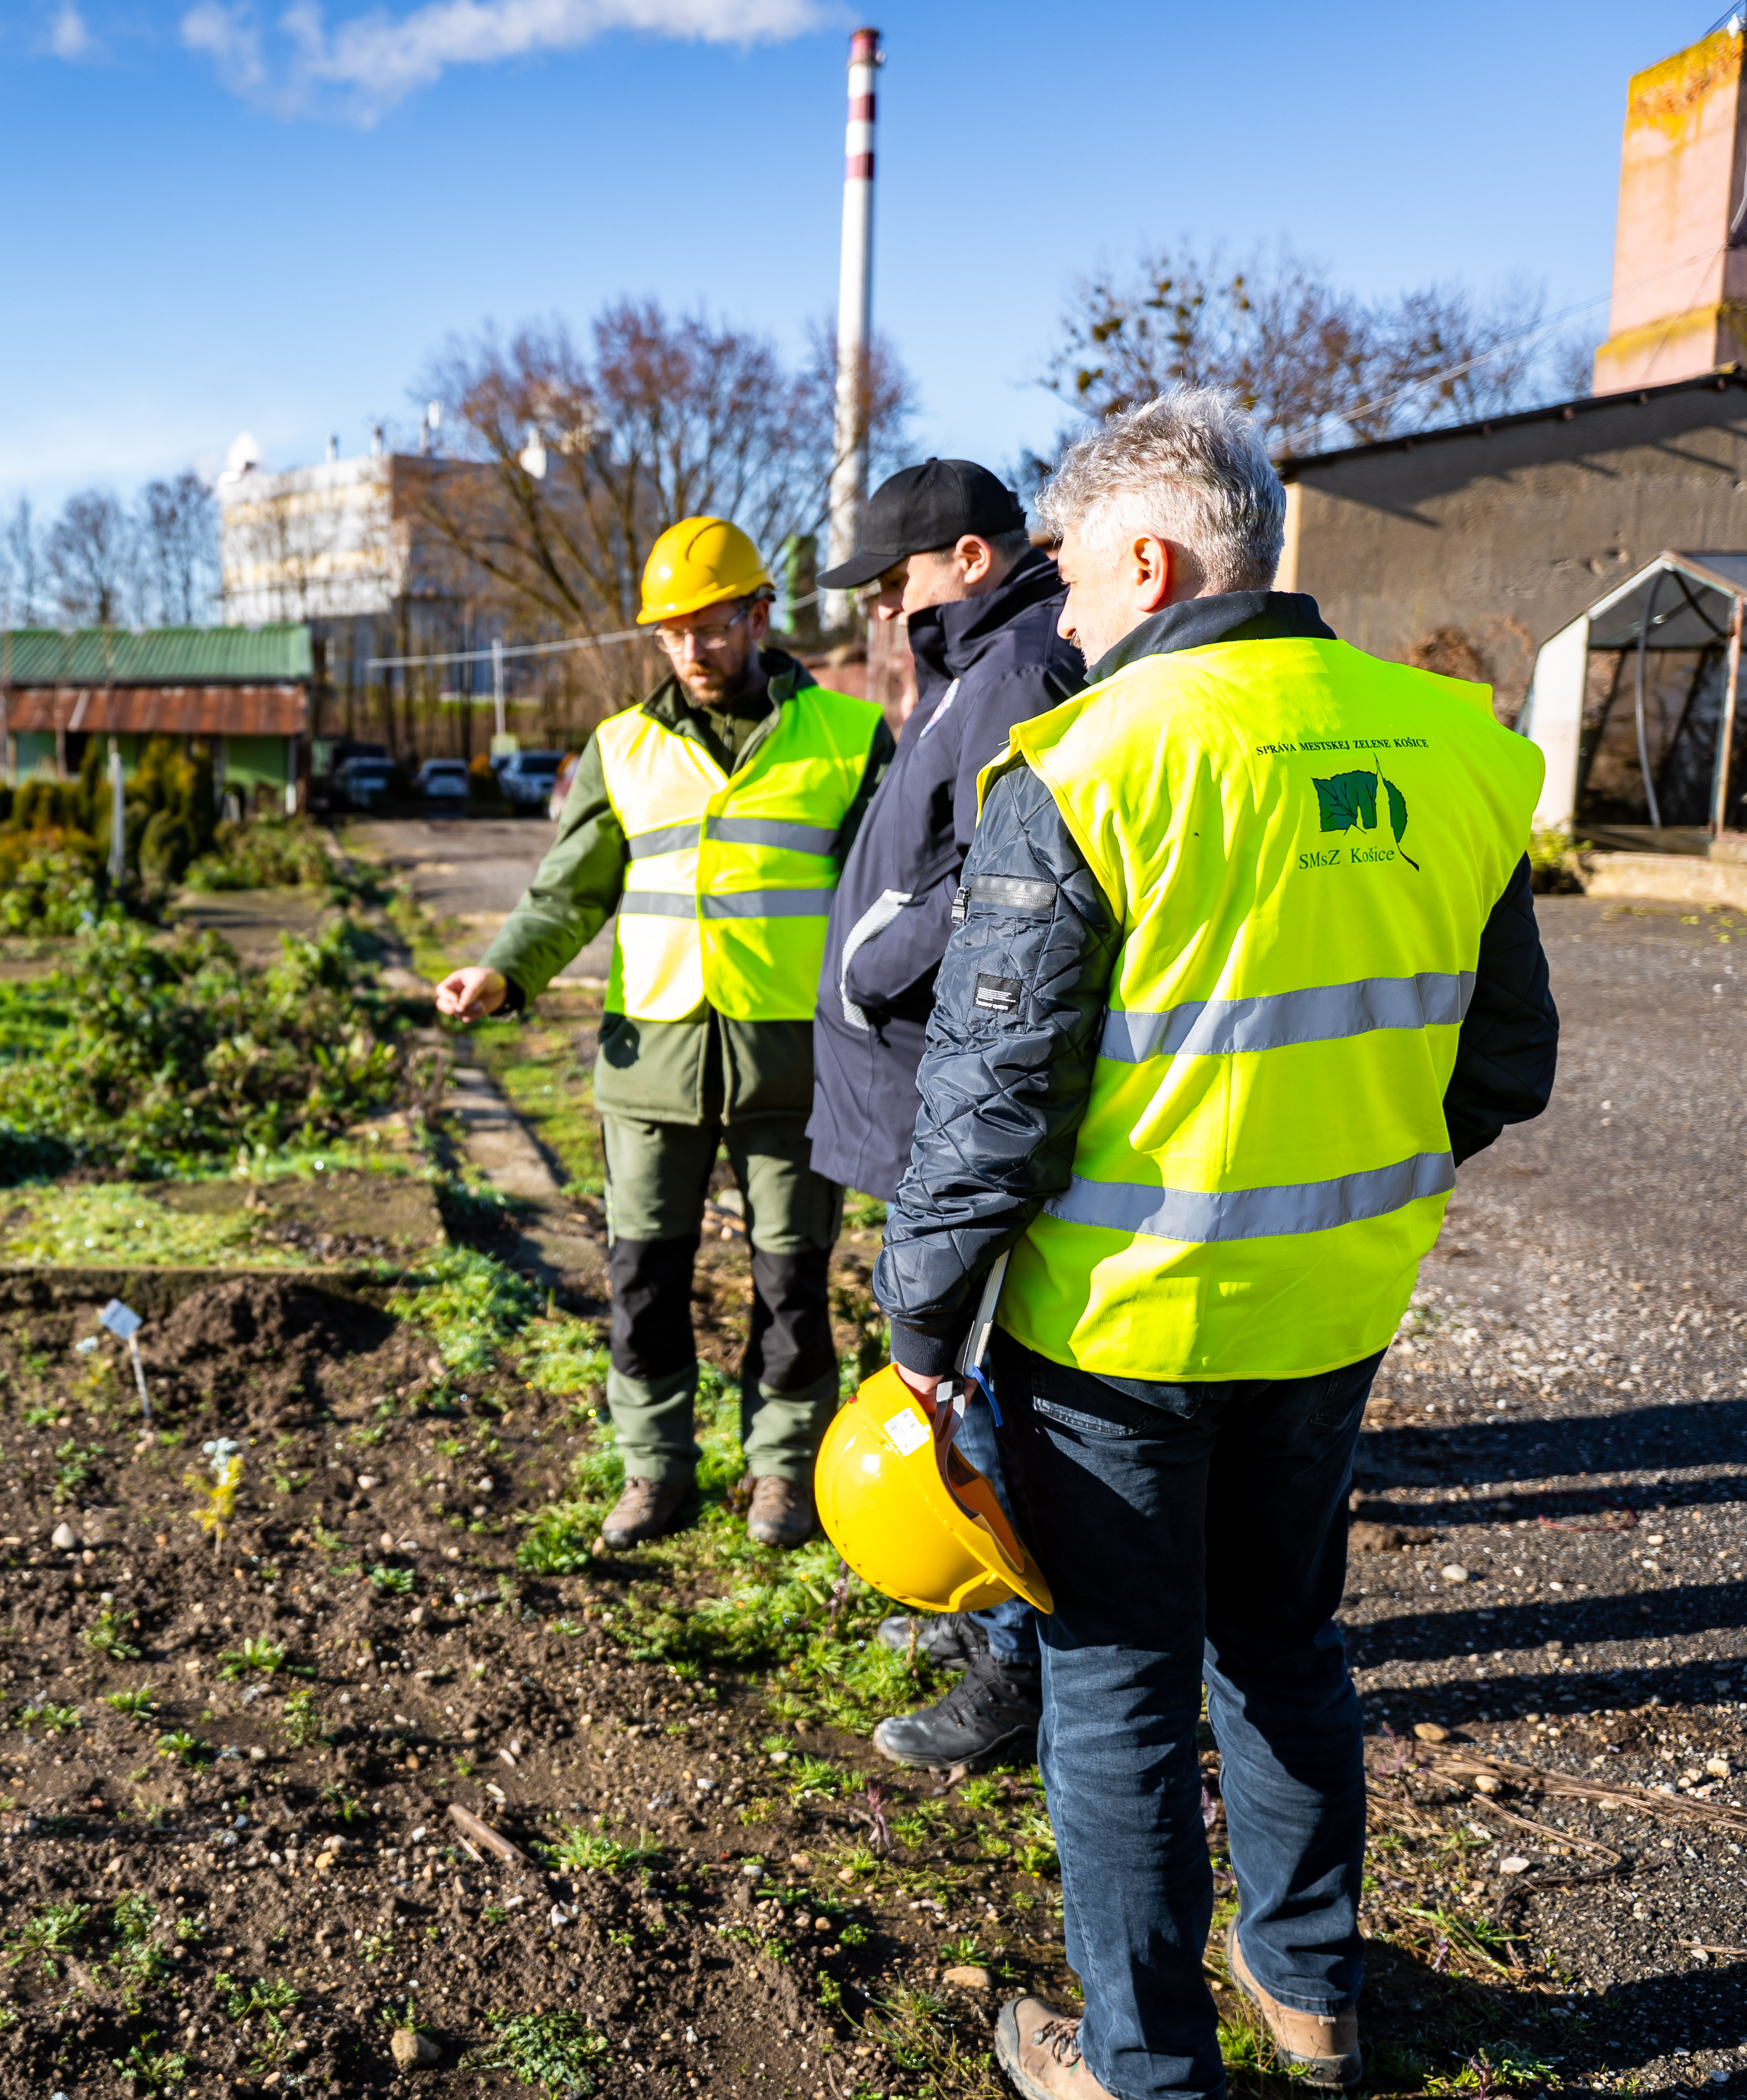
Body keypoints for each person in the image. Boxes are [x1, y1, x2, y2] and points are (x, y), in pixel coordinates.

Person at [872, 391, 1556, 2100]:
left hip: (1114, 1335)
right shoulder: (1458, 745)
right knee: (1285, 1646)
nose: (1073, 630)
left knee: (1114, 1687)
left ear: (1153, 562)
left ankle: (1144, 2068)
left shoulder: (1095, 764)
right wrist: (1340, 1166)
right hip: (1332, 1314)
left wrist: (920, 1329)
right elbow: (1508, 1067)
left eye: (1081, 594)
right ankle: (1313, 2003)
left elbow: (991, 1104)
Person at [437, 517, 888, 1550]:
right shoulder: (621, 748)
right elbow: (570, 887)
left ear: (759, 614)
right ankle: (655, 1467)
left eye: (712, 626)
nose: (693, 650)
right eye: (672, 633)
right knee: (644, 1277)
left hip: (793, 1062)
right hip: (653, 1060)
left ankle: (782, 1470)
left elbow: (887, 895)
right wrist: (503, 969)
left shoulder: (850, 738)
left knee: (792, 1275)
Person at [807, 459, 1086, 1769]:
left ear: (969, 558)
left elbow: (1001, 878)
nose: (880, 602)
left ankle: (1016, 1671)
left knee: (969, 1382)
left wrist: (872, 955)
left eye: (893, 576)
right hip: (915, 1079)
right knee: (956, 1375)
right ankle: (983, 1616)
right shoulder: (973, 661)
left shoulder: (1018, 666)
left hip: (947, 1082)